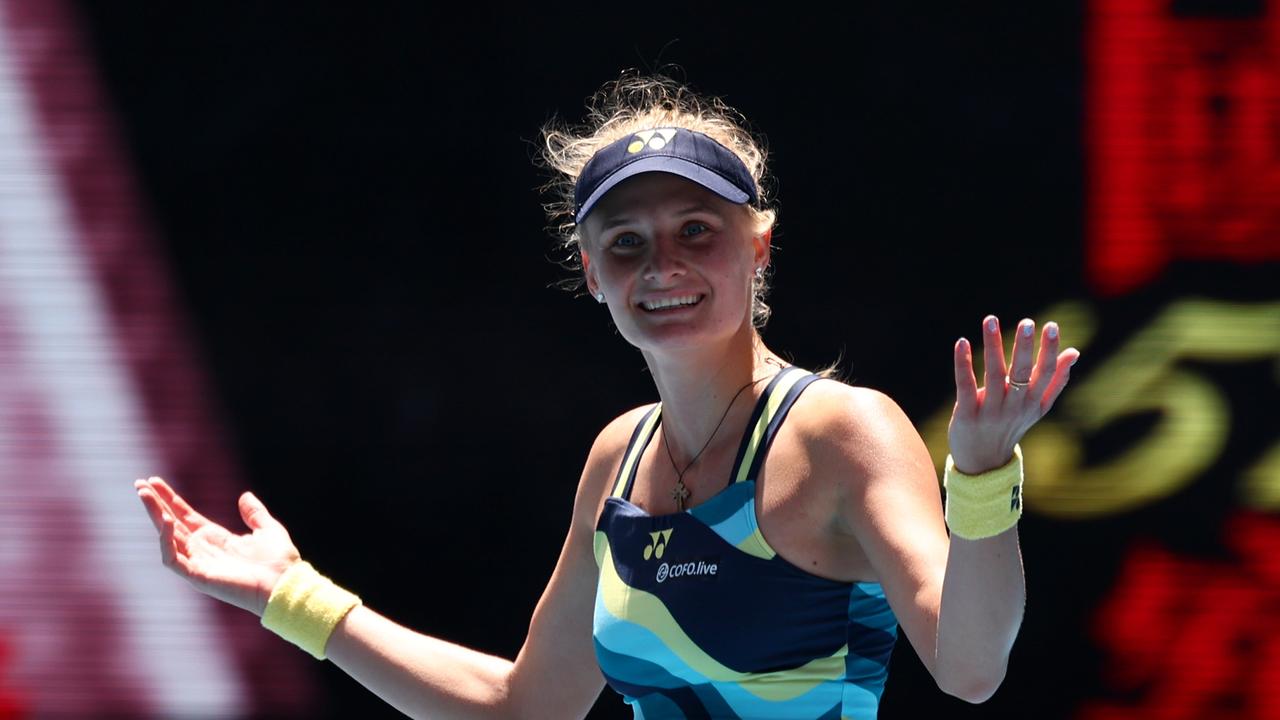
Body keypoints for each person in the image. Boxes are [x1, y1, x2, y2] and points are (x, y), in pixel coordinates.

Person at [134, 72, 1079, 719]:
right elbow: (524, 709)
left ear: (759, 249)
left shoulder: (843, 431)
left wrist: (984, 474)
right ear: (590, 272)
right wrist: (286, 597)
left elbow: (970, 670)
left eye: (696, 229)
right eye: (625, 241)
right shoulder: (618, 457)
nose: (661, 264)